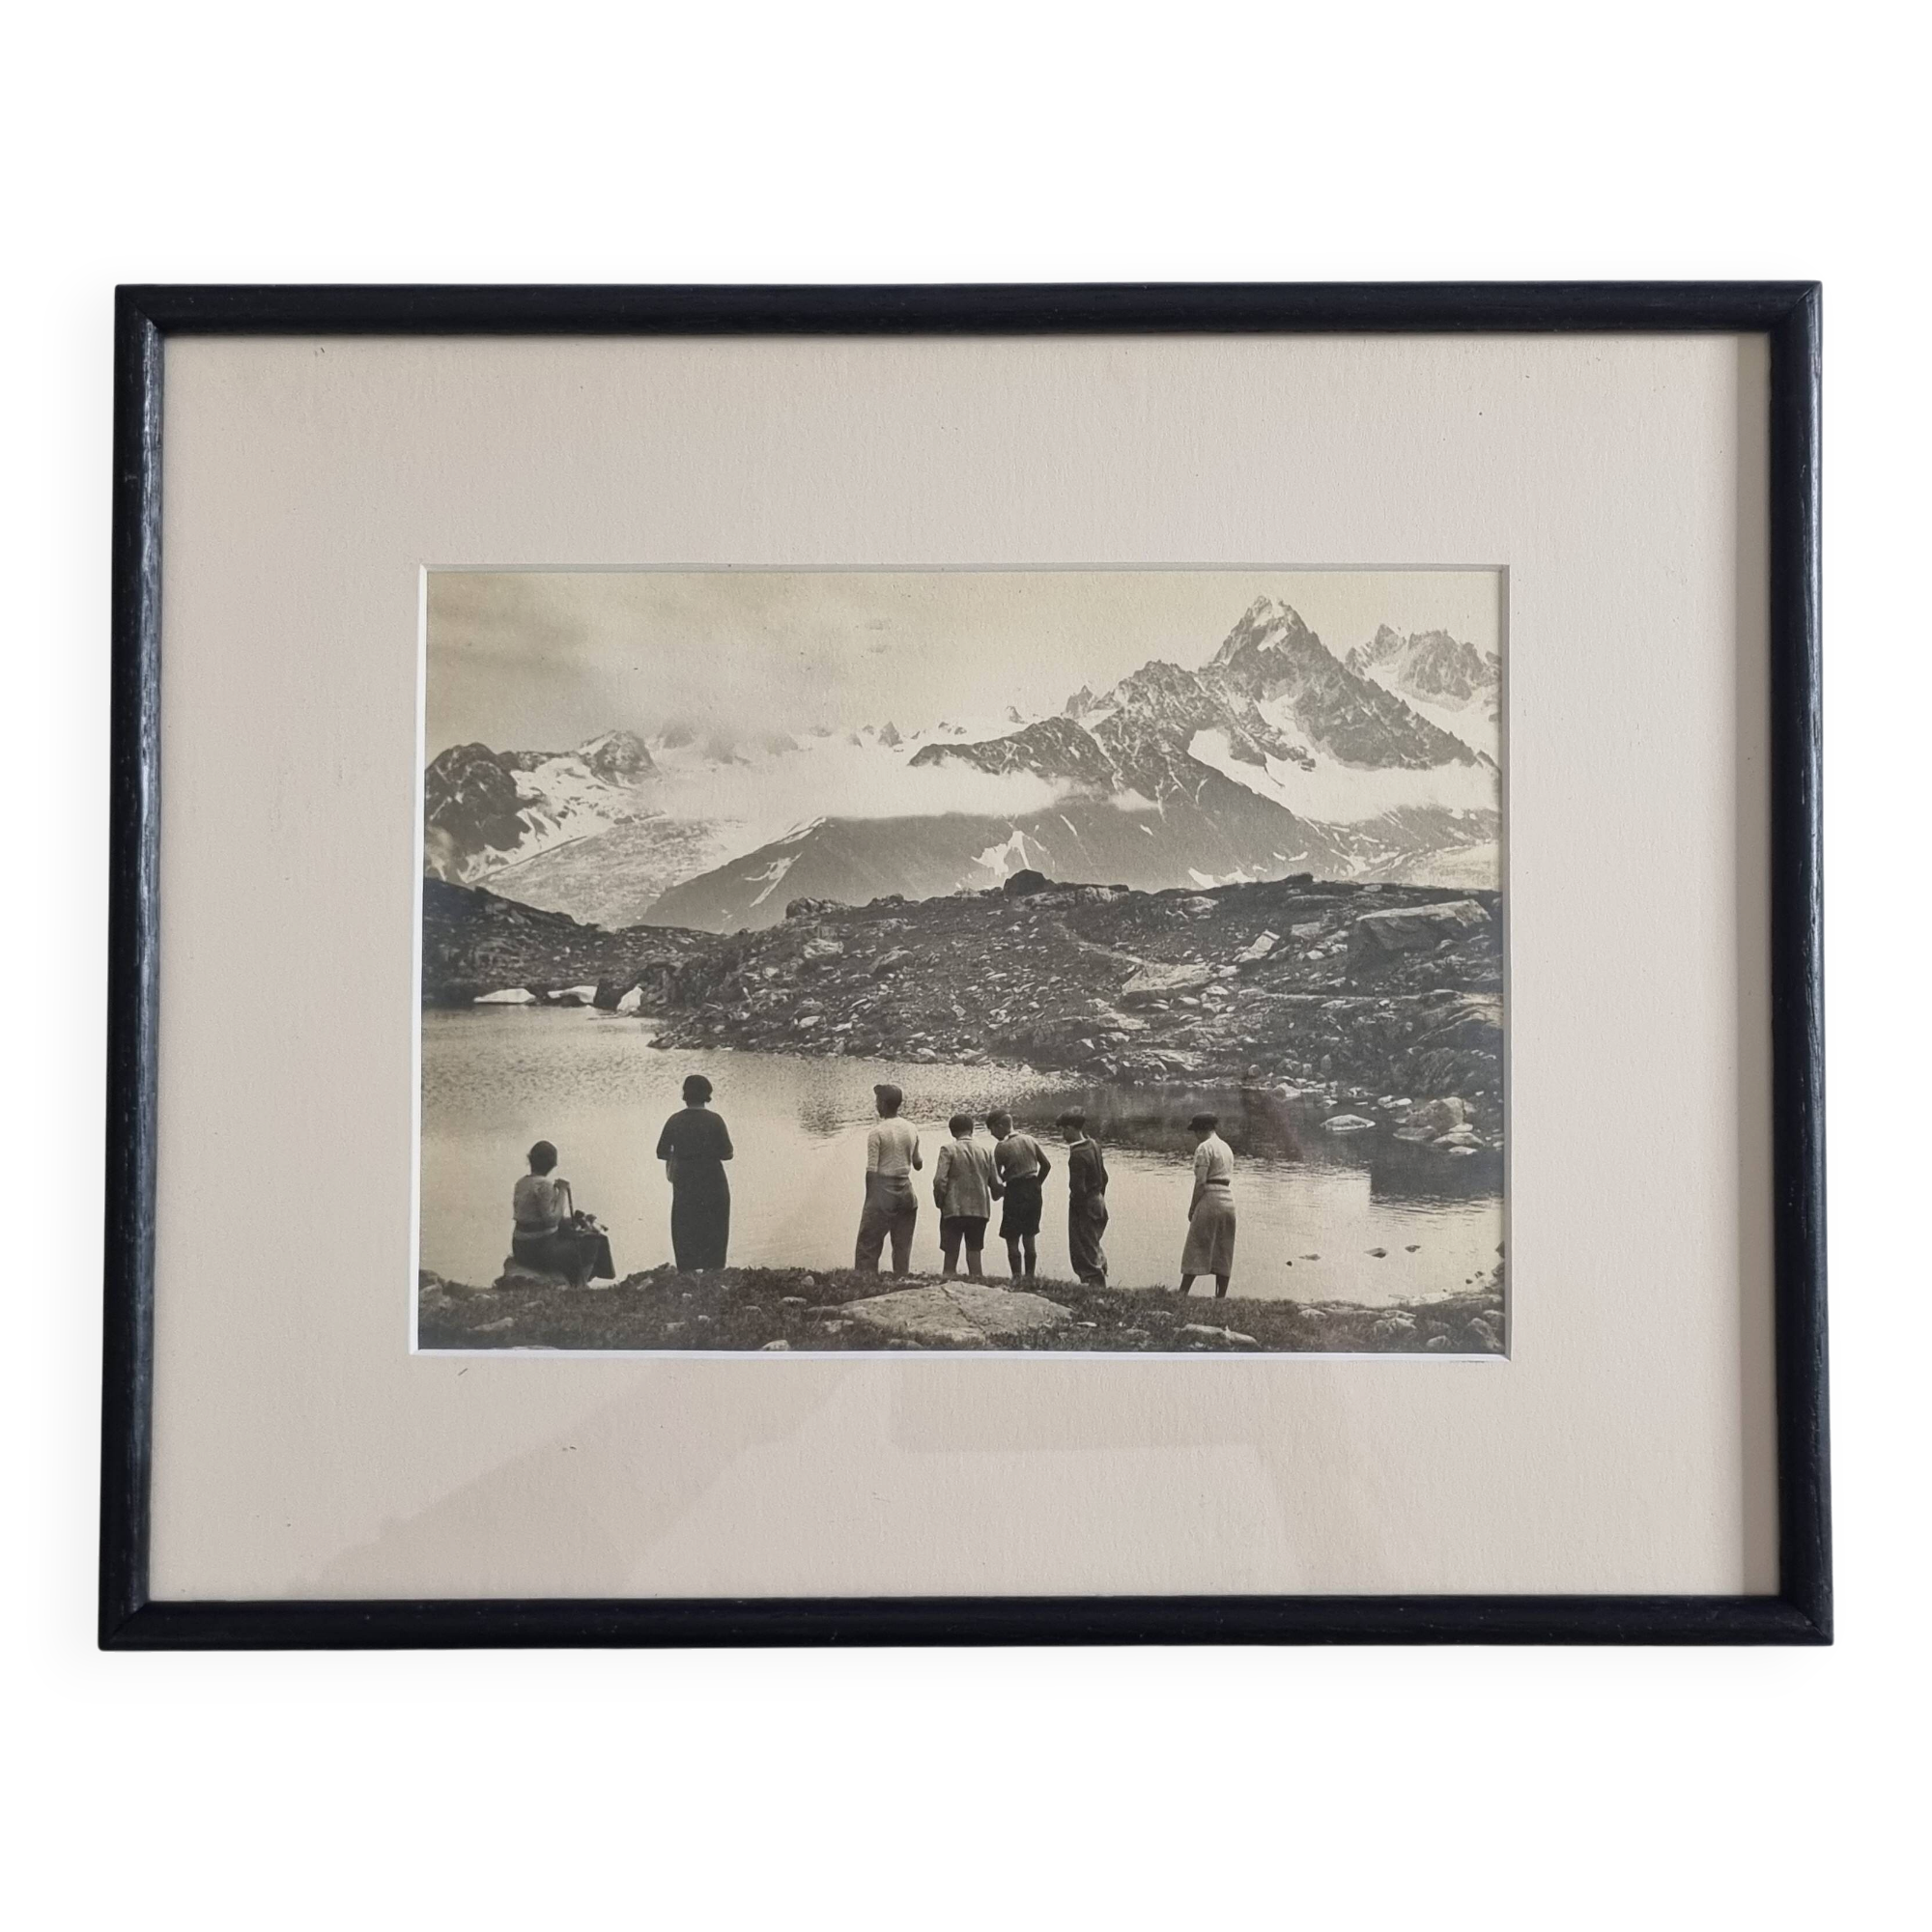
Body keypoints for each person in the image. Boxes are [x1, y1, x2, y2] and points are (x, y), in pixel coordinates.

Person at [655, 1073, 733, 1270]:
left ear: (685, 1095)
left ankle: (687, 1273)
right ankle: (713, 1272)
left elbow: (661, 1152)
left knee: (685, 1227)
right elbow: (727, 1154)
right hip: (713, 1180)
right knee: (715, 1226)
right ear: (708, 1094)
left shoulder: (675, 1120)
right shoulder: (715, 1120)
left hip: (686, 1181)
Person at [511, 1141, 615, 1287]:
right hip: (539, 1250)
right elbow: (551, 1220)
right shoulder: (544, 1185)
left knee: (572, 1231)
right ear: (553, 1163)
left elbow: (538, 1218)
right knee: (594, 1242)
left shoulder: (522, 1182)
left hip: (521, 1248)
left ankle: (573, 1281)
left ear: (531, 1160)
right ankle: (580, 1285)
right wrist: (563, 1191)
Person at [855, 1083, 923, 1273]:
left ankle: (865, 1282)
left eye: (877, 1101)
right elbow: (918, 1163)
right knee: (902, 1245)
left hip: (884, 1191)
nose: (876, 1105)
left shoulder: (877, 1132)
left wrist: (870, 1201)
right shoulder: (912, 1128)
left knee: (868, 1244)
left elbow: (872, 1171)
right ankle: (901, 1280)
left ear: (883, 1104)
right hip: (906, 1191)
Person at [932, 1112, 1002, 1277]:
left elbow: (939, 1180)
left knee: (951, 1254)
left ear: (952, 1132)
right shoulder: (986, 1151)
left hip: (954, 1208)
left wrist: (940, 1202)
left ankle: (948, 1287)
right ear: (972, 1130)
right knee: (974, 1252)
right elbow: (996, 1184)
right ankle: (977, 1287)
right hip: (979, 1209)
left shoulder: (948, 1150)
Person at [1178, 1112, 1236, 1297]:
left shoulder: (1204, 1148)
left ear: (1202, 1130)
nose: (1195, 1135)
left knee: (1195, 1244)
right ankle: (1221, 1297)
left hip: (1210, 1197)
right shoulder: (1226, 1147)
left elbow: (1201, 1182)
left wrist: (1193, 1207)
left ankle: (1183, 1292)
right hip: (1228, 1198)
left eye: (1196, 1131)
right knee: (1224, 1248)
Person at [988, 1109, 1052, 1282]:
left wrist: (1000, 1182)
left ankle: (1016, 1277)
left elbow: (996, 1176)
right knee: (1029, 1235)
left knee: (1012, 1236)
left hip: (1014, 1191)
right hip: (1033, 1191)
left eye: (992, 1130)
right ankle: (1030, 1277)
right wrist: (1037, 1183)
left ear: (1000, 1126)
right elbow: (1046, 1165)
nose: (992, 1134)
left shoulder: (1001, 1147)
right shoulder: (1030, 1140)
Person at [1059, 1110, 1109, 1286]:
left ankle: (1094, 1284)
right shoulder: (1094, 1144)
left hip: (1085, 1204)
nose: (1062, 1135)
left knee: (1081, 1246)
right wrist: (1100, 1196)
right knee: (1093, 1242)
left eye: (1064, 1130)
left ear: (1072, 1128)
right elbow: (1105, 1177)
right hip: (1098, 1200)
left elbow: (1077, 1189)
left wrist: (1078, 1211)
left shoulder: (1077, 1155)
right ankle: (1100, 1273)